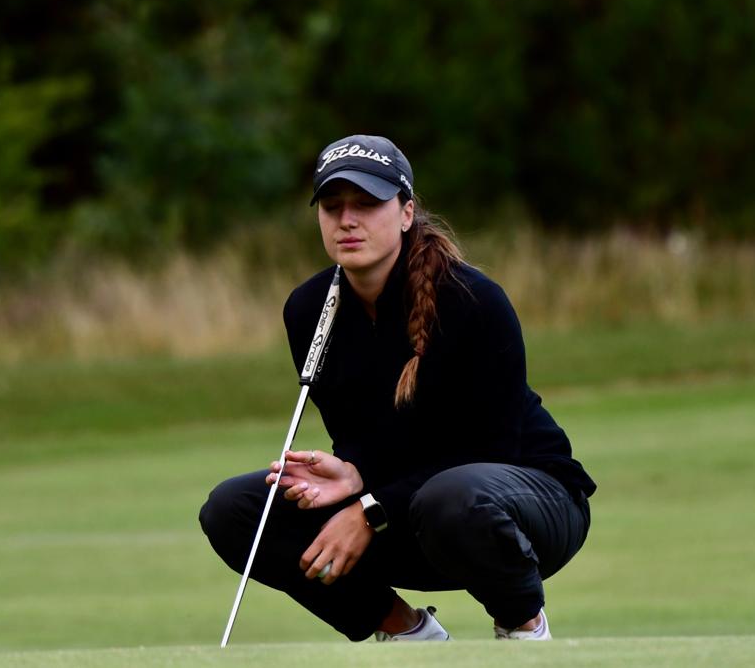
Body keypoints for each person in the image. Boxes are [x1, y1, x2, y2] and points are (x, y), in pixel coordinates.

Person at [200, 134, 595, 642]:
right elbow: (367, 440)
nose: (347, 219)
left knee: (452, 495)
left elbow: (487, 451)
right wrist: (349, 473)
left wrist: (369, 507)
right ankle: (411, 636)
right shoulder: (308, 310)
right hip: (414, 515)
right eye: (332, 205)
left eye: (367, 204)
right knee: (235, 508)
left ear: (406, 212)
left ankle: (523, 629)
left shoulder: (475, 301)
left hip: (527, 507)